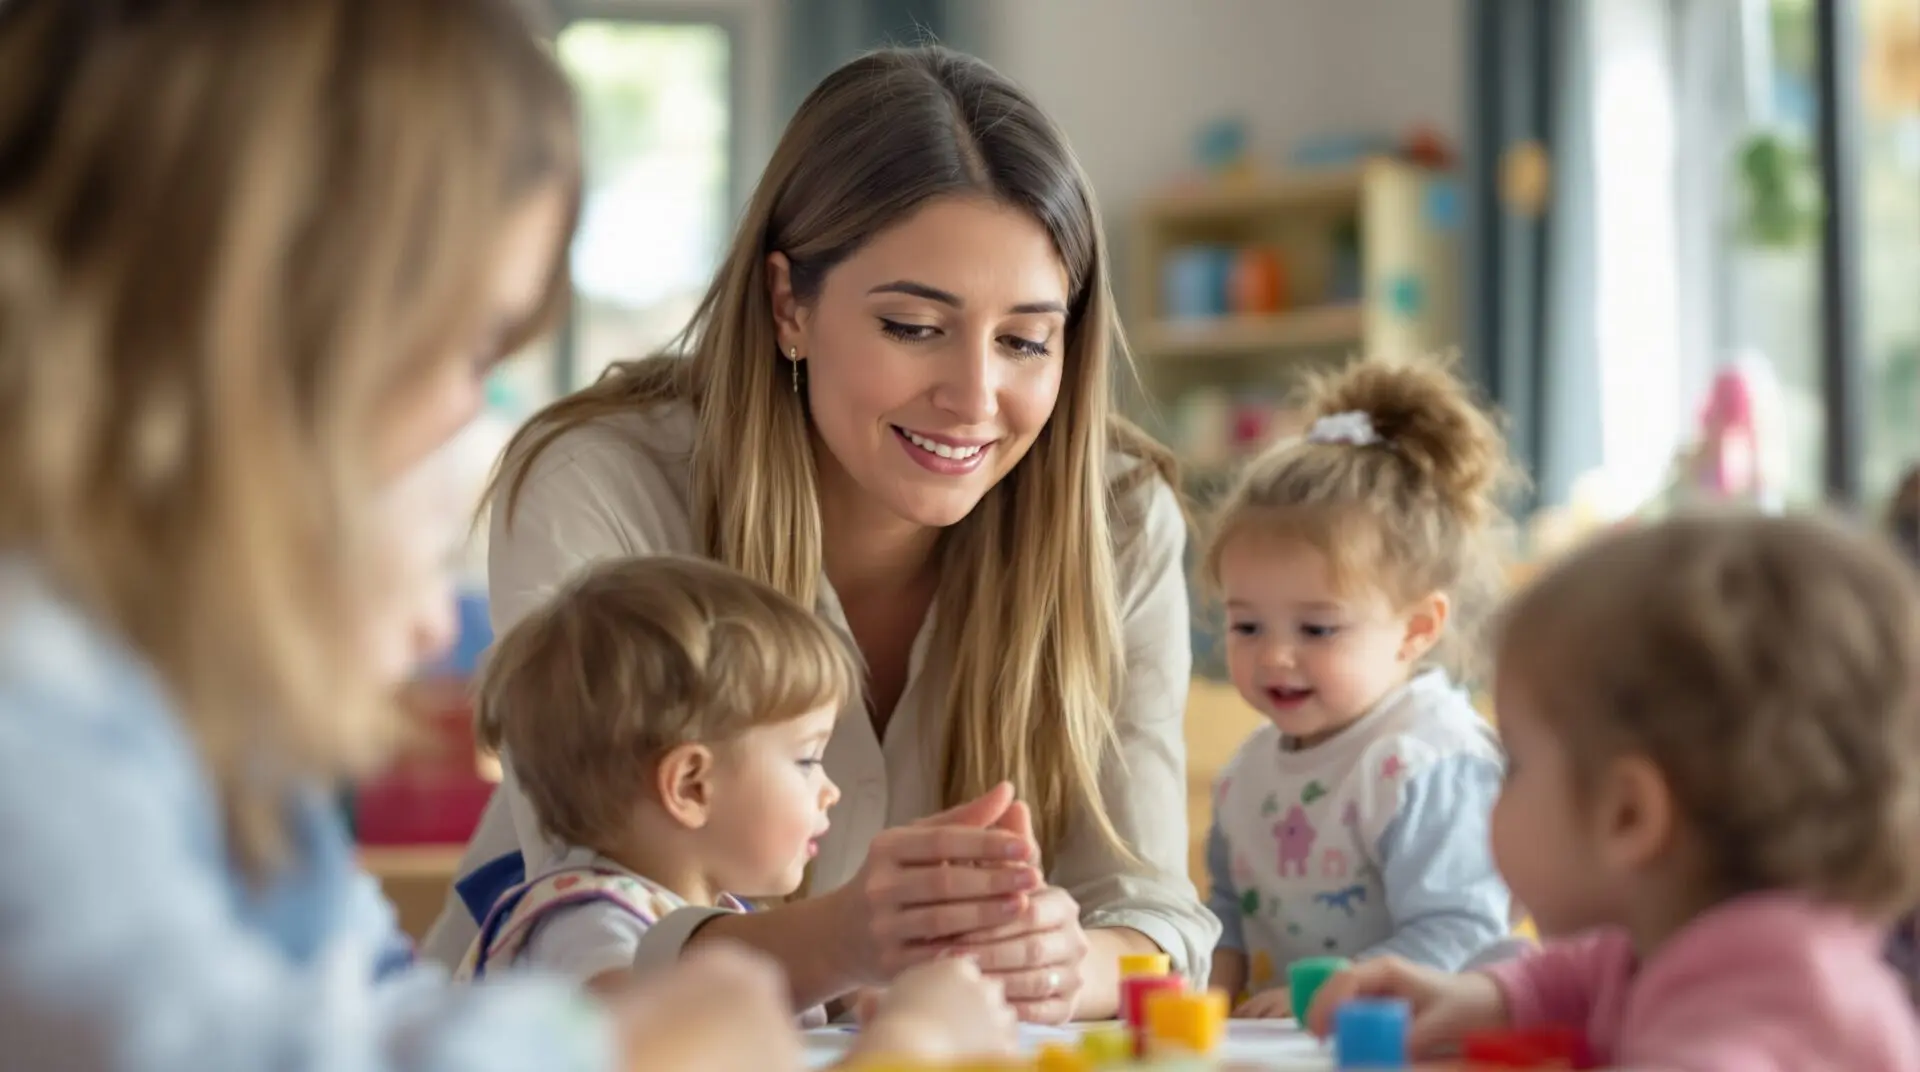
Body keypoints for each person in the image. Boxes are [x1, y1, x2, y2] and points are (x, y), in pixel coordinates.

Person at [0, 1, 797, 1069]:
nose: (467, 410)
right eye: (473, 344)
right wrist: (626, 1049)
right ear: (285, 320)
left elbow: (360, 1006)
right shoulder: (36, 704)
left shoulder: (193, 718)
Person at [421, 45, 1219, 1022]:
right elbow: (590, 921)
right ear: (788, 303)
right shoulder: (600, 482)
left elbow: (1150, 912)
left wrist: (1060, 961)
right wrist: (850, 934)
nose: (975, 398)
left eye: (1023, 340)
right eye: (914, 326)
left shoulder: (1121, 517)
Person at [1307, 513, 1920, 1070]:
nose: (1492, 793)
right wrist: (1479, 996)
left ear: (1627, 815)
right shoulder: (1683, 948)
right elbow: (1581, 980)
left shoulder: (1761, 1016)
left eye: (1513, 763)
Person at [454, 554, 1017, 1062]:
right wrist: (915, 1034)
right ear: (692, 786)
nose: (831, 790)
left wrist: (869, 988)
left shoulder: (707, 915)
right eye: (805, 759)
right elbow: (643, 1051)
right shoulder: (587, 925)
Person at [1199, 356, 1514, 1017]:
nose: (1275, 655)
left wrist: (1315, 997)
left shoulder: (1429, 761)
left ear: (1416, 628)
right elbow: (1226, 916)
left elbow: (1461, 932)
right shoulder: (1248, 771)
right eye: (1247, 624)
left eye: (1317, 629)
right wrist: (1199, 1002)